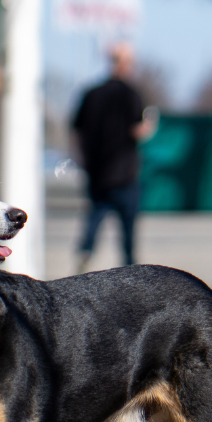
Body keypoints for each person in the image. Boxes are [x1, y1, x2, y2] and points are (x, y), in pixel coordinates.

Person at [72, 41, 156, 272]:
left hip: (98, 170)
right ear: (126, 63)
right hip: (125, 171)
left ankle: (85, 253)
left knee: (95, 217)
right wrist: (150, 126)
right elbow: (137, 130)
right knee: (128, 226)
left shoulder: (91, 93)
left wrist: (83, 157)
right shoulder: (131, 94)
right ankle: (130, 268)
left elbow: (77, 129)